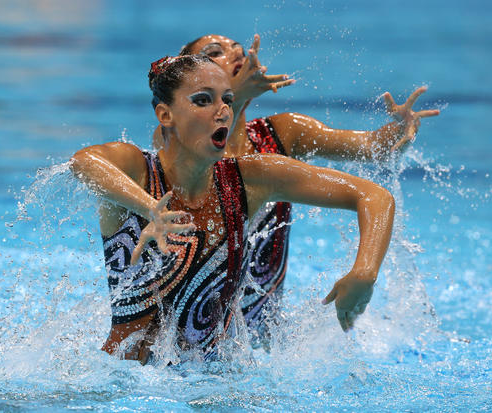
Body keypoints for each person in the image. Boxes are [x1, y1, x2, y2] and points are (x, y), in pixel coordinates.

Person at [71, 54, 395, 363]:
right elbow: (83, 162)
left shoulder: (249, 179)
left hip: (215, 384)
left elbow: (374, 196)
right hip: (125, 384)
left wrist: (365, 273)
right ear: (165, 115)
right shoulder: (138, 172)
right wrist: (150, 208)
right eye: (203, 100)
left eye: (227, 99)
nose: (223, 110)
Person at [155, 34, 439, 335]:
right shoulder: (172, 142)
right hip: (181, 338)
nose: (237, 54)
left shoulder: (281, 134)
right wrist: (232, 97)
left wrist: (400, 128)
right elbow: (212, 164)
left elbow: (374, 149)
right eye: (216, 53)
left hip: (263, 340)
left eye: (239, 49)